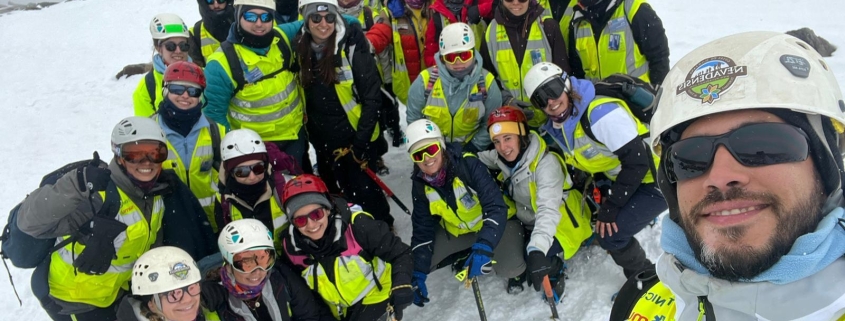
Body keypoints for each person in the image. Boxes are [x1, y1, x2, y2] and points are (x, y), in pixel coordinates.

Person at [643, 31, 845, 320]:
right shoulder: (646, 305)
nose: (720, 176)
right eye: (691, 157)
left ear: (824, 168)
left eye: (761, 146)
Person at [18, 116, 216, 321]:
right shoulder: (96, 195)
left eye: (155, 153)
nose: (146, 162)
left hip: (115, 293)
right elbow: (28, 222)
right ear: (119, 156)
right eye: (134, 154)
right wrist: (76, 184)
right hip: (75, 299)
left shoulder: (157, 194)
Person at [524, 62, 666, 279]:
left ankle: (644, 277)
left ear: (566, 84)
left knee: (611, 235)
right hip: (624, 176)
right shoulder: (562, 125)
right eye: (541, 99)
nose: (551, 102)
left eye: (552, 90)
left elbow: (638, 161)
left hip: (659, 177)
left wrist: (612, 207)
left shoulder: (600, 114)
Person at [294, 0, 395, 228]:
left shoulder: (351, 43)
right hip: (322, 140)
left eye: (329, 17)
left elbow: (371, 97)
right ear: (306, 20)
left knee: (367, 195)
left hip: (354, 138)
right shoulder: (299, 46)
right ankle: (350, 237)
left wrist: (360, 144)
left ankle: (383, 233)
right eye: (316, 18)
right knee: (336, 197)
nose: (323, 24)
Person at [476, 106, 593, 297]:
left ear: (522, 136)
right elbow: (476, 160)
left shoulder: (545, 165)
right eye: (496, 141)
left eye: (508, 139)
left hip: (561, 223)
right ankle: (526, 262)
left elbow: (548, 211)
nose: (503, 148)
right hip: (527, 218)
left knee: (531, 256)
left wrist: (537, 251)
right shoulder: (501, 157)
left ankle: (554, 269)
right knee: (509, 255)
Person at [405, 119, 523, 305]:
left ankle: (489, 251)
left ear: (441, 146)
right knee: (419, 262)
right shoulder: (420, 184)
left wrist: (484, 244)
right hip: (460, 231)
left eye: (431, 149)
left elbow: (495, 207)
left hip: (495, 223)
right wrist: (417, 271)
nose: (427, 158)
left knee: (511, 267)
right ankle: (467, 252)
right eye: (418, 155)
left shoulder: (467, 164)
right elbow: (422, 230)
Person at [281, 174, 414, 320]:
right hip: (339, 311)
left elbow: (400, 253)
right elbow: (307, 296)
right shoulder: (292, 249)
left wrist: (401, 285)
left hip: (377, 296)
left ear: (327, 209)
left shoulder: (358, 226)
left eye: (316, 214)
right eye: (300, 220)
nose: (311, 224)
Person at [203, 0, 309, 171]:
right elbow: (215, 120)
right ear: (238, 16)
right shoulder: (221, 64)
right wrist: (237, 155)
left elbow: (316, 21)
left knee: (300, 192)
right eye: (250, 16)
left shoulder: (280, 38)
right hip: (254, 151)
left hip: (294, 138)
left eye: (266, 17)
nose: (259, 23)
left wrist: (351, 25)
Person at [201, 219, 328, 320]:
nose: (258, 270)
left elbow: (309, 315)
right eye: (247, 262)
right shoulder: (214, 301)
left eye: (264, 259)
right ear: (228, 263)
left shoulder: (282, 277)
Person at [153, 61, 226, 232]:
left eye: (193, 91)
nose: (185, 95)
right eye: (177, 89)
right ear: (165, 90)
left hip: (210, 223)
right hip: (167, 225)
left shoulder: (216, 131)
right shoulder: (149, 132)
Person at [406, 23, 502, 153]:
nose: (458, 62)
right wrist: (431, 149)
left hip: (472, 152)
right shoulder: (425, 81)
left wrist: (472, 148)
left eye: (464, 55)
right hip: (434, 152)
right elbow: (414, 121)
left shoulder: (487, 83)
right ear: (442, 58)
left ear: (473, 53)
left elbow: (491, 123)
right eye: (450, 57)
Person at [480, 0, 571, 129]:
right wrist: (507, 100)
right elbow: (487, 78)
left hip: (550, 122)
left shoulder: (548, 27)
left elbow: (564, 75)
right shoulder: (491, 31)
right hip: (512, 124)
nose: (516, 3)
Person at [214, 128, 300, 249]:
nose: (252, 176)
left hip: (289, 259)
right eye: (242, 171)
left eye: (258, 168)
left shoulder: (285, 187)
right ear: (231, 173)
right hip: (250, 263)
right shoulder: (224, 201)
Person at [567, 0, 669, 86]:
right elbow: (578, 74)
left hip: (637, 103)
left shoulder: (635, 9)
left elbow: (659, 57)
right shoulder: (576, 23)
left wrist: (657, 97)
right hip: (599, 105)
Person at [117, 246, 209, 321]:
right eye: (174, 294)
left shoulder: (209, 306)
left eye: (192, 288)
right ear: (152, 305)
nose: (188, 299)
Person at [134, 13, 192, 117]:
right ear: (158, 48)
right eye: (171, 46)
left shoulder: (205, 76)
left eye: (183, 45)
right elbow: (146, 128)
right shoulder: (146, 88)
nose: (178, 51)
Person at [422, 0, 492, 68]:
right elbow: (430, 56)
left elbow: (497, 5)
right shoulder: (438, 16)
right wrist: (443, 69)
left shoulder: (476, 2)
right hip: (451, 71)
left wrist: (480, 9)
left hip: (478, 69)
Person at [188, 0, 235, 67]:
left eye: (221, 0)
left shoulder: (243, 26)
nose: (216, 5)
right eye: (210, 1)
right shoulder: (195, 33)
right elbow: (197, 70)